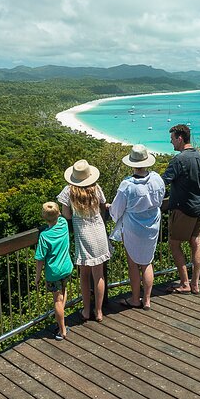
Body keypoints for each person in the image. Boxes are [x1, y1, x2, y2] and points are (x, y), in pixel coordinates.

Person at [108, 144, 165, 311]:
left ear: (132, 163)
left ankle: (134, 298)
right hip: (152, 223)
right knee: (147, 262)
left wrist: (110, 209)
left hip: (133, 226)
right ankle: (147, 300)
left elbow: (117, 210)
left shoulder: (127, 185)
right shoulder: (157, 179)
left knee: (133, 263)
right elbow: (160, 200)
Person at [57, 159, 111, 322]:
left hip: (83, 233)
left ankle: (87, 310)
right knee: (99, 274)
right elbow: (103, 206)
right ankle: (99, 311)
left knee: (85, 276)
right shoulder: (96, 188)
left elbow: (66, 215)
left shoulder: (69, 192)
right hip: (99, 231)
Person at [162, 124, 200, 294]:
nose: (171, 142)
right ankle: (195, 283)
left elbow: (163, 181)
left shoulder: (179, 160)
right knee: (196, 242)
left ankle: (184, 282)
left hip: (183, 209)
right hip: (199, 207)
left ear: (180, 138)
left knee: (174, 244)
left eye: (172, 139)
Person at [34, 202, 74, 341]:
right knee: (64, 291)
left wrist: (37, 277)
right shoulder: (63, 223)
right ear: (58, 214)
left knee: (57, 300)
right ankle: (61, 319)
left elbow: (40, 259)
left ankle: (62, 330)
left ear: (44, 218)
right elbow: (62, 215)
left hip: (53, 272)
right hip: (67, 267)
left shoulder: (44, 236)